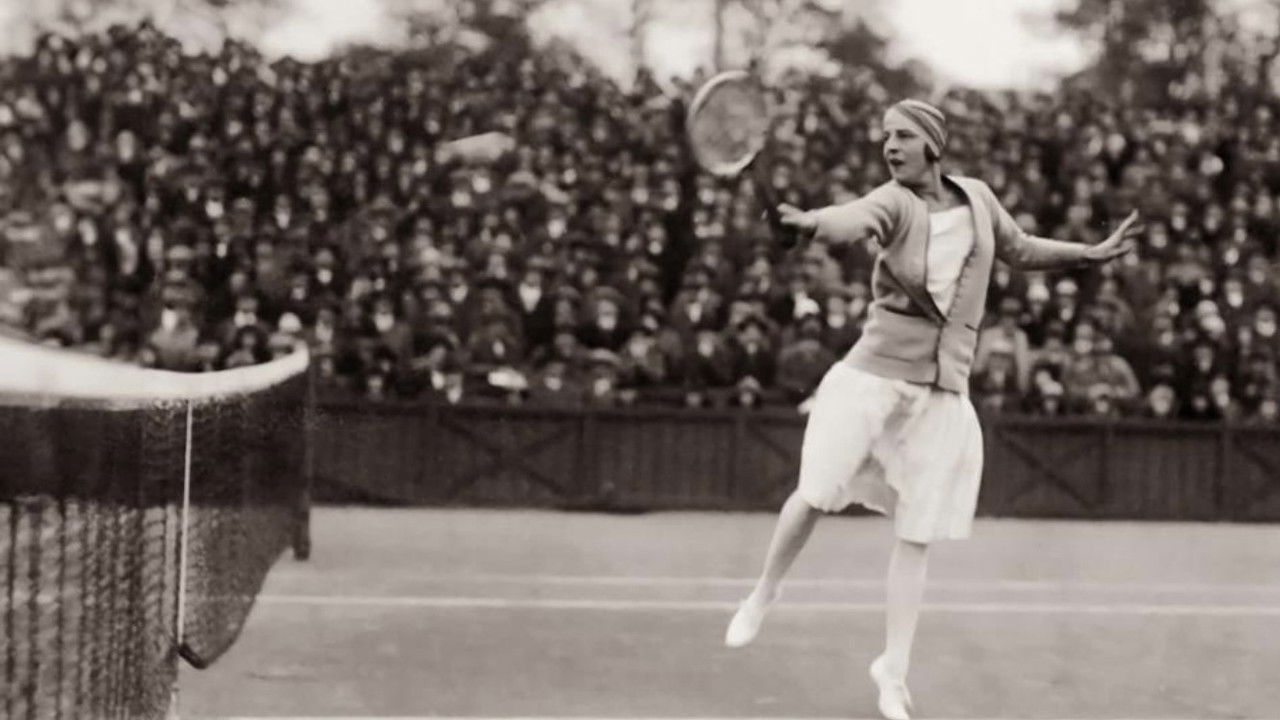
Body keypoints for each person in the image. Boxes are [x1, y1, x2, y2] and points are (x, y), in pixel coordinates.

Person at [722, 99, 1142, 720]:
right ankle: (764, 591)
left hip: (941, 390)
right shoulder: (891, 201)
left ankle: (893, 671)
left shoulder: (977, 199)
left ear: (932, 145)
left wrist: (1086, 253)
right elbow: (852, 218)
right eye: (885, 137)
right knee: (814, 494)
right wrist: (809, 223)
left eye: (902, 136)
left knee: (916, 536)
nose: (890, 147)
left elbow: (1020, 247)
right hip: (871, 378)